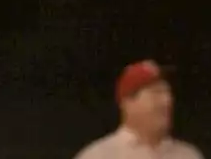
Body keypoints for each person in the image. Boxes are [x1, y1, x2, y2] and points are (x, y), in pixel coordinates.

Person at [74, 60, 203, 159]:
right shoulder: (98, 156)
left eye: (168, 93)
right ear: (128, 103)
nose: (167, 101)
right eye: (156, 93)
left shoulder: (188, 155)